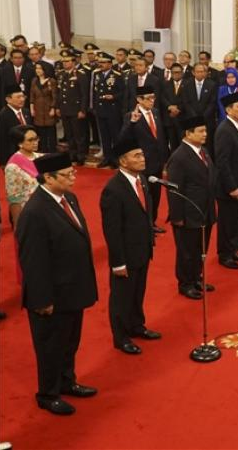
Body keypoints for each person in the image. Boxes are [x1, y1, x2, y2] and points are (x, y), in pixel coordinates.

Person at [16, 153, 98, 415]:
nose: (74, 177)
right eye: (67, 174)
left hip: (72, 290)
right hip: (51, 297)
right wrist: (42, 300)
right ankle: (48, 394)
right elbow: (33, 262)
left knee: (69, 343)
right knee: (50, 347)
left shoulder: (68, 199)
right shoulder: (35, 212)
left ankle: (67, 381)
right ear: (48, 179)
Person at [100, 138, 160, 355]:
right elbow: (112, 231)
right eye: (137, 156)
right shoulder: (113, 190)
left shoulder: (142, 180)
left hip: (142, 249)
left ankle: (136, 325)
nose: (142, 159)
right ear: (123, 161)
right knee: (121, 297)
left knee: (138, 292)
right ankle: (121, 336)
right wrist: (118, 263)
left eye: (142, 155)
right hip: (125, 254)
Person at [166, 116, 217, 300]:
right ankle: (185, 283)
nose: (205, 134)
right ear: (188, 134)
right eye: (200, 131)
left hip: (205, 210)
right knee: (187, 251)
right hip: (188, 213)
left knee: (201, 249)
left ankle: (196, 277)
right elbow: (174, 190)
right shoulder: (179, 157)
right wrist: (177, 217)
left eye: (205, 130)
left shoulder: (203, 151)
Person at [119, 85, 168, 232]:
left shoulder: (156, 113)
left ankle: (152, 223)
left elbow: (160, 137)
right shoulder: (131, 116)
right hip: (142, 162)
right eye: (148, 98)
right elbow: (122, 138)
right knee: (145, 195)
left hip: (158, 161)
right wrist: (132, 122)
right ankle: (144, 225)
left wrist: (165, 157)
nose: (152, 101)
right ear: (138, 100)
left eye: (153, 98)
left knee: (156, 194)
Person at [214, 92, 238, 270]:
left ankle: (233, 249)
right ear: (229, 110)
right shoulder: (224, 130)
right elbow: (222, 162)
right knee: (227, 222)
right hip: (229, 188)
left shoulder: (237, 127)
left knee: (235, 221)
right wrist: (231, 187)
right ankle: (225, 254)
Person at [92, 52, 126, 168]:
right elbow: (95, 92)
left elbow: (123, 92)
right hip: (101, 110)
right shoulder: (97, 74)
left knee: (115, 135)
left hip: (113, 110)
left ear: (110, 64)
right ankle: (107, 157)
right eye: (99, 62)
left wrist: (114, 97)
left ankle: (116, 158)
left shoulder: (117, 75)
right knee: (104, 136)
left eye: (103, 62)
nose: (100, 64)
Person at [55, 51, 89, 165]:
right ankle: (72, 154)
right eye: (63, 61)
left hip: (76, 109)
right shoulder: (61, 74)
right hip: (65, 109)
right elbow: (59, 93)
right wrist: (58, 107)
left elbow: (84, 94)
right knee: (69, 134)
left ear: (74, 62)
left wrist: (83, 110)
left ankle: (81, 155)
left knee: (79, 134)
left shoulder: (80, 74)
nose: (65, 63)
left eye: (67, 61)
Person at [4, 126, 41, 225]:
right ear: (19, 143)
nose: (35, 142)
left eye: (36, 138)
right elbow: (14, 198)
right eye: (30, 140)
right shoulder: (13, 167)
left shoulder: (42, 158)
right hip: (29, 214)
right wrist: (17, 224)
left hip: (47, 209)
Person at [181, 64, 217, 152]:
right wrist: (195, 117)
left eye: (202, 72)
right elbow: (186, 102)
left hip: (207, 120)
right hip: (191, 120)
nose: (200, 74)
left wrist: (203, 118)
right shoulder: (186, 84)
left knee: (207, 145)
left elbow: (212, 103)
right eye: (198, 72)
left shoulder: (212, 84)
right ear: (193, 72)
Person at [0, 84, 33, 166]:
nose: (22, 99)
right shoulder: (2, 116)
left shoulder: (26, 112)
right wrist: (4, 163)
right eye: (18, 97)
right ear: (8, 99)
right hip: (13, 158)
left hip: (28, 155)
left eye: (23, 97)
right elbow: (1, 141)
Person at [29, 62, 58, 152]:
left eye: (40, 68)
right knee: (40, 131)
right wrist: (31, 107)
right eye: (36, 68)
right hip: (38, 109)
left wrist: (53, 108)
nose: (38, 70)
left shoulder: (51, 81)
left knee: (50, 131)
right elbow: (32, 95)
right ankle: (43, 150)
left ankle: (52, 150)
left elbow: (55, 96)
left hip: (48, 108)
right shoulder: (34, 80)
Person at [161, 62, 186, 152]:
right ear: (171, 73)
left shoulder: (188, 84)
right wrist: (169, 107)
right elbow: (162, 98)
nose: (176, 74)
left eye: (178, 72)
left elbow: (188, 99)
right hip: (169, 119)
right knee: (172, 144)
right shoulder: (165, 84)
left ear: (182, 73)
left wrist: (178, 108)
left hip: (182, 118)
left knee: (183, 143)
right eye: (174, 72)